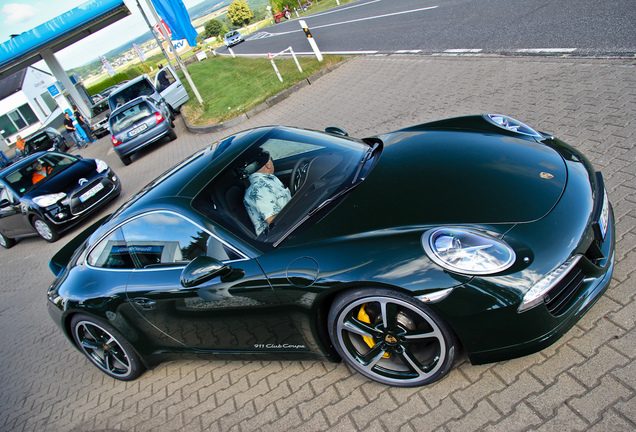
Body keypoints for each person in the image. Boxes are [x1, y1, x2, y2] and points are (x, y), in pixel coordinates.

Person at [243, 151, 291, 236]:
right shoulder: (260, 188)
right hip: (282, 235)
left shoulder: (267, 180)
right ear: (267, 165)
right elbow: (274, 222)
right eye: (271, 159)